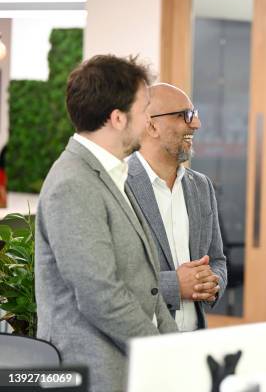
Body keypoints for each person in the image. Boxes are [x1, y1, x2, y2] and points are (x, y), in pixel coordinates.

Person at [35, 55, 178, 392]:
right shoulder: (73, 183)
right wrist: (161, 351)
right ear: (117, 118)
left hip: (130, 366)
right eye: (144, 109)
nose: (149, 122)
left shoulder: (113, 173)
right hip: (94, 372)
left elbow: (147, 282)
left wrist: (176, 349)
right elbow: (101, 296)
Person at [126, 83, 227, 331]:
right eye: (185, 115)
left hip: (193, 343)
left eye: (195, 114)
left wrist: (212, 283)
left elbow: (218, 260)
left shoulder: (201, 186)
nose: (196, 124)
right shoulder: (118, 184)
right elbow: (111, 282)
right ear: (151, 125)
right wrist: (175, 285)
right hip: (141, 347)